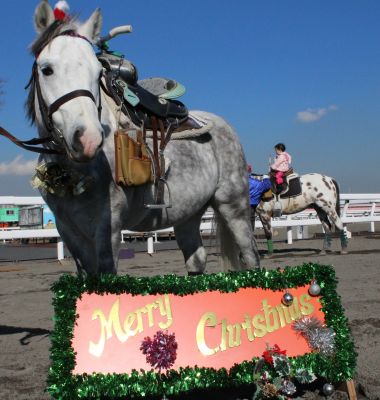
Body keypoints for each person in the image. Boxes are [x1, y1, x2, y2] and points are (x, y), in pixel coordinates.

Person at [248, 165, 271, 231]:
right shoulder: (256, 183)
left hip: (238, 207)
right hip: (251, 206)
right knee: (250, 225)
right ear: (250, 171)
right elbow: (266, 185)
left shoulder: (237, 182)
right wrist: (266, 178)